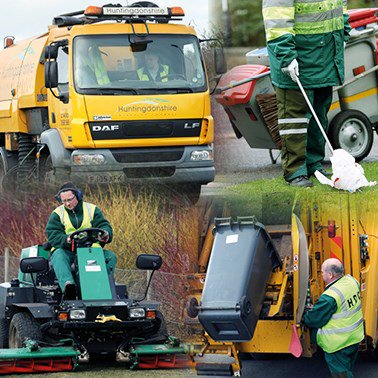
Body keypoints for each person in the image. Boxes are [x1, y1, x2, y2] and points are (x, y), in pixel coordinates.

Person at [262, 1, 351, 187]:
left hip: (325, 56)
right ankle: (295, 171)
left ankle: (313, 163)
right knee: (294, 119)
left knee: (319, 115)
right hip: (297, 58)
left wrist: (343, 33)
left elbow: (339, 5)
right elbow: (276, 19)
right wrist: (287, 56)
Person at [46, 182, 116, 296]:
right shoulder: (57, 214)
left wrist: (106, 234)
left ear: (78, 196)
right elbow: (53, 235)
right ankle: (69, 286)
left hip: (90, 250)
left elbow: (104, 225)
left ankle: (103, 284)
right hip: (68, 251)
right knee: (58, 255)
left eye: (70, 199)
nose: (67, 204)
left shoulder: (92, 210)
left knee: (110, 256)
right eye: (64, 201)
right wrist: (67, 239)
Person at [304, 258, 364, 378]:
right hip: (354, 337)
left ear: (330, 274)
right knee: (347, 369)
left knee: (342, 374)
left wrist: (306, 313)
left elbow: (313, 320)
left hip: (337, 344)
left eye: (322, 272)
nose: (321, 274)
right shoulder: (352, 281)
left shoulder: (330, 297)